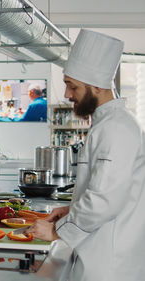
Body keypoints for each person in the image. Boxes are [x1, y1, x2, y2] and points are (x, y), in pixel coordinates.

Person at [26, 30, 145, 280]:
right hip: (100, 251)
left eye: (72, 86)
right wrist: (71, 210)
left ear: (97, 86)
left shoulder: (116, 128)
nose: (68, 94)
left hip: (109, 263)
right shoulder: (108, 123)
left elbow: (105, 200)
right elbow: (108, 187)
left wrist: (56, 231)